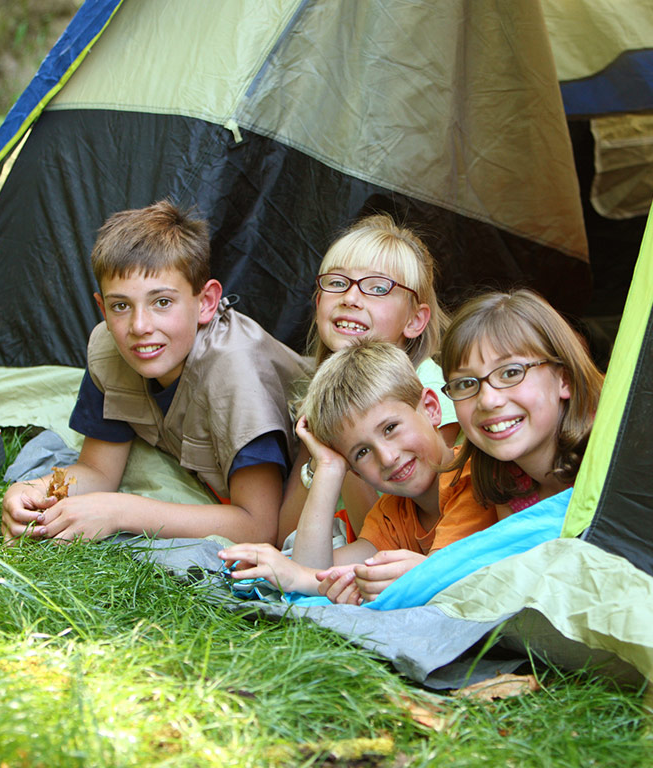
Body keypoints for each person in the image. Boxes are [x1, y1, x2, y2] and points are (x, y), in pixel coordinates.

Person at [1, 200, 309, 544]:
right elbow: (99, 472)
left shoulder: (236, 375)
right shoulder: (111, 347)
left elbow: (259, 528)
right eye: (121, 306)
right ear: (102, 308)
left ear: (206, 302)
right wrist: (32, 490)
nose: (140, 326)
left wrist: (119, 513)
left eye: (162, 302)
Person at [219, 341, 497, 604]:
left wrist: (297, 576)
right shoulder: (392, 513)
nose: (387, 457)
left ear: (431, 408)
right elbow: (315, 571)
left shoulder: (474, 478)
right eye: (361, 452)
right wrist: (329, 467)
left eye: (390, 428)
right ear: (356, 471)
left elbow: (434, 580)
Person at [277, 214, 454, 544]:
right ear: (318, 303)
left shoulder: (430, 390)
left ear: (415, 320)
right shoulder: (325, 400)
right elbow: (287, 532)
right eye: (337, 283)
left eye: (377, 288)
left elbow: (380, 541)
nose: (351, 298)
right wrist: (325, 461)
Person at [439, 289, 604, 516]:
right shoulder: (506, 481)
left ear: (564, 379)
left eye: (510, 373)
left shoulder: (611, 458)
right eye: (466, 383)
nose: (487, 400)